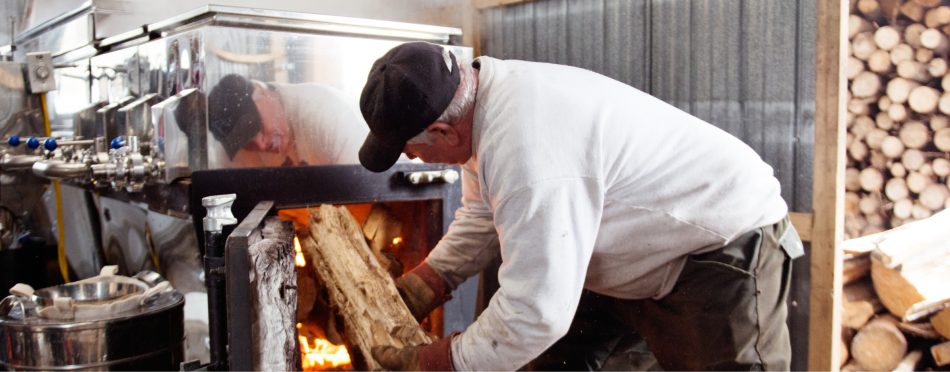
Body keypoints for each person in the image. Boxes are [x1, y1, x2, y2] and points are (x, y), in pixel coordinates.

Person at [358, 42, 805, 371]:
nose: (412, 159)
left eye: (412, 150)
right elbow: (483, 214)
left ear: (442, 130)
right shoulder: (479, 103)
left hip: (722, 244)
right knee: (557, 362)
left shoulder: (528, 147)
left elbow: (537, 312)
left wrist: (439, 362)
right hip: (632, 248)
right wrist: (429, 281)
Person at [191, 74, 367, 167]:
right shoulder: (230, 153)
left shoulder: (327, 114)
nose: (260, 145)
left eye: (254, 127)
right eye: (245, 141)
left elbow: (367, 191)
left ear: (262, 92)